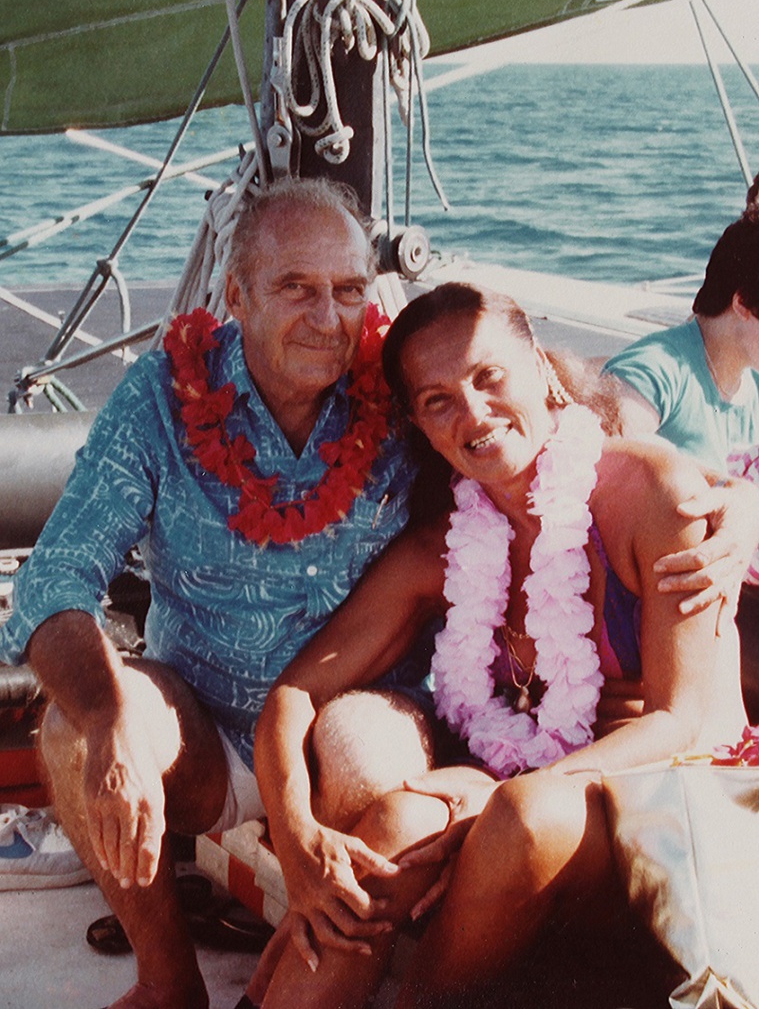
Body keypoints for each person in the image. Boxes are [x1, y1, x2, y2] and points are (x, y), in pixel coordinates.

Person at [248, 282, 752, 1009]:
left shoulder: (650, 491)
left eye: (489, 378)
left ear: (543, 372)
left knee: (519, 817)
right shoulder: (443, 549)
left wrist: (500, 810)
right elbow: (295, 695)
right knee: (396, 825)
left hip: (674, 805)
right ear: (420, 427)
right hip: (535, 789)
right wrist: (297, 843)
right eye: (438, 401)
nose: (473, 414)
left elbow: (678, 721)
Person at [0, 178, 424, 1009]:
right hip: (211, 729)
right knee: (74, 730)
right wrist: (112, 714)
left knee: (357, 757)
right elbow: (52, 583)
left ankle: (308, 968)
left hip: (349, 714)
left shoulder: (404, 391)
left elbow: (536, 416)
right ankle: (169, 983)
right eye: (295, 287)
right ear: (235, 295)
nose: (327, 316)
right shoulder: (160, 398)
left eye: (347, 290)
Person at [604, 187, 759, 719]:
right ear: (742, 303)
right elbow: (611, 461)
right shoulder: (654, 371)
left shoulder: (750, 382)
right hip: (669, 600)